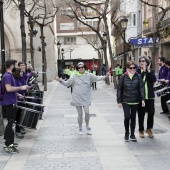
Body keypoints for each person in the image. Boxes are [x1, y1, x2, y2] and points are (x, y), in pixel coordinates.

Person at [56, 62, 109, 135]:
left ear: (85, 68)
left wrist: (105, 77)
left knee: (87, 112)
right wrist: (60, 81)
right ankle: (80, 128)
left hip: (86, 98)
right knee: (80, 114)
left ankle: (87, 126)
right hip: (77, 98)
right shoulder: (74, 76)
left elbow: (97, 78)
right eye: (79, 68)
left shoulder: (89, 75)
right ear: (77, 69)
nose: (81, 69)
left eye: (82, 67)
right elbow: (67, 83)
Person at [1, 59, 28, 153]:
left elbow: (8, 89)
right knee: (11, 123)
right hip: (9, 103)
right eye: (15, 65)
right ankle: (9, 144)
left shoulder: (8, 76)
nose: (16, 67)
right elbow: (8, 89)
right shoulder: (8, 76)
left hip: (10, 101)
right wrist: (21, 88)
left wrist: (17, 94)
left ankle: (7, 142)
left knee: (11, 122)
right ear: (12, 65)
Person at [117, 61, 145, 142]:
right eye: (131, 68)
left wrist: (142, 99)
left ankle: (132, 134)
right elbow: (119, 89)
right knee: (127, 117)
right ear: (127, 68)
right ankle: (126, 133)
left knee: (133, 117)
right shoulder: (123, 77)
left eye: (134, 68)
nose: (133, 69)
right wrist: (119, 101)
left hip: (135, 100)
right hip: (125, 100)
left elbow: (141, 88)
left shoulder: (138, 76)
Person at [136, 56, 156, 138]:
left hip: (150, 96)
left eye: (143, 61)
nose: (141, 62)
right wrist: (144, 72)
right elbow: (138, 80)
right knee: (141, 113)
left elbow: (154, 80)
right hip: (141, 97)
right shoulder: (137, 71)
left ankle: (149, 129)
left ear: (147, 62)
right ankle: (141, 130)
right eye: (140, 61)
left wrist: (148, 71)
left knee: (151, 112)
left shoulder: (151, 71)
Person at [13, 68, 26, 139]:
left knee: (19, 116)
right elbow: (13, 90)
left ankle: (18, 128)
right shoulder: (14, 80)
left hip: (21, 99)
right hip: (16, 100)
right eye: (21, 72)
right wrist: (19, 94)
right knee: (17, 116)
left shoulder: (20, 79)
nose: (22, 73)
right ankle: (17, 130)